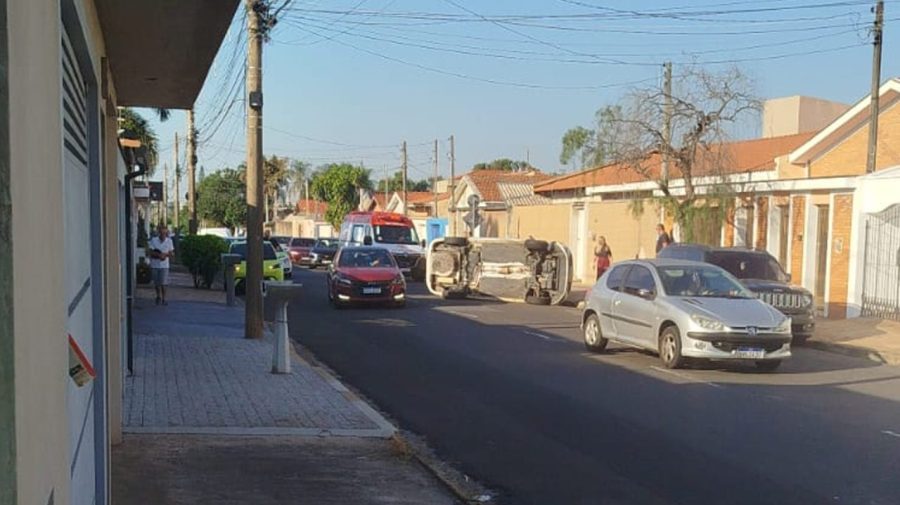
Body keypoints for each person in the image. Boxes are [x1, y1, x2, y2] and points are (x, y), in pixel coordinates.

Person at [148, 225, 175, 305]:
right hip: (155, 265)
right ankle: (158, 296)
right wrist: (158, 255)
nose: (163, 235)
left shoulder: (169, 241)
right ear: (159, 233)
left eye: (164, 233)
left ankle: (164, 298)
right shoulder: (154, 240)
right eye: (161, 233)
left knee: (163, 283)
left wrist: (165, 255)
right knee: (156, 283)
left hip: (164, 265)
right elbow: (150, 251)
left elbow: (171, 253)